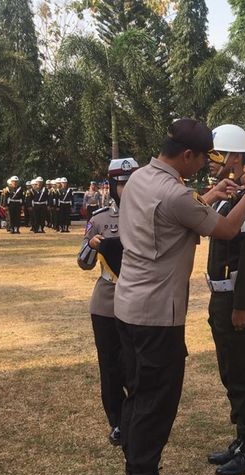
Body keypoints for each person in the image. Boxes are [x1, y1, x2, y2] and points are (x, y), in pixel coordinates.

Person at [113, 118, 245, 475]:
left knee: (137, 394)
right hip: (157, 314)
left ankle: (140, 474)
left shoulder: (142, 179)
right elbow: (228, 230)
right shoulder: (176, 193)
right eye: (201, 160)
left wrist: (214, 193)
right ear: (186, 154)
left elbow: (187, 214)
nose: (205, 166)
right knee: (156, 402)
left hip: (129, 305)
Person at [203, 124, 245, 475]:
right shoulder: (229, 195)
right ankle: (242, 437)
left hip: (237, 299)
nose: (209, 163)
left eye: (216, 157)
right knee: (230, 372)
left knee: (244, 373)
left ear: (235, 158)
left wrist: (242, 305)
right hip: (221, 297)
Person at [78, 158, 140, 450]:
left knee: (135, 365)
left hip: (140, 303)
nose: (125, 188)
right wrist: (91, 246)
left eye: (130, 181)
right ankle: (117, 422)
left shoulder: (147, 214)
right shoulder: (101, 218)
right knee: (111, 367)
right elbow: (83, 262)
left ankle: (136, 418)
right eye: (120, 182)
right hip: (106, 303)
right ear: (113, 186)